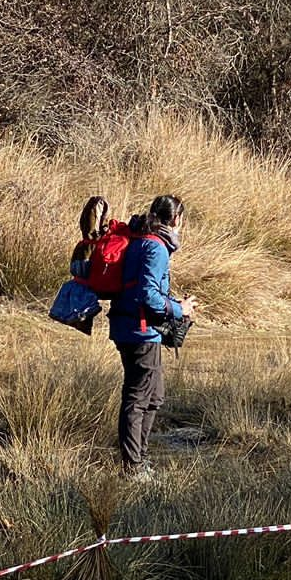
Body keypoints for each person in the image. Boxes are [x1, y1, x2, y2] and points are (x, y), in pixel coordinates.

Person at [108, 194, 195, 479]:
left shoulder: (141, 240)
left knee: (154, 396)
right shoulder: (155, 247)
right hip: (140, 331)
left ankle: (139, 461)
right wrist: (178, 309)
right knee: (138, 397)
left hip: (135, 328)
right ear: (175, 219)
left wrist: (171, 305)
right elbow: (148, 295)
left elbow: (144, 288)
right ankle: (133, 468)